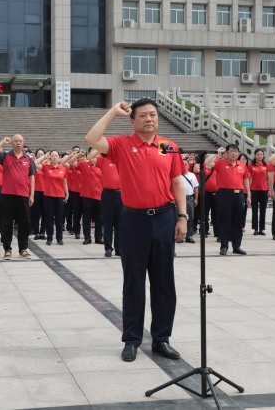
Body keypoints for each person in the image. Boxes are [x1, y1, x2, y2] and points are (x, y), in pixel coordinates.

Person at [85, 98, 187, 363]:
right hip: (133, 221)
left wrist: (183, 216)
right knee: (133, 282)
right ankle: (131, 340)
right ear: (133, 121)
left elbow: (177, 182)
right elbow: (92, 139)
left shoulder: (168, 147)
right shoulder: (121, 144)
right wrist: (112, 112)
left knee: (164, 282)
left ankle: (161, 339)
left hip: (164, 218)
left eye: (153, 114)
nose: (149, 119)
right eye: (143, 115)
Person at [0, 135, 36, 261]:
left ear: (23, 143)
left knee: (25, 223)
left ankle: (23, 248)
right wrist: (3, 142)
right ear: (12, 143)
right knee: (6, 223)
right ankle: (7, 249)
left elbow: (32, 177)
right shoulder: (5, 156)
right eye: (15, 141)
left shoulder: (28, 158)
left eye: (20, 141)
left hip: (23, 195)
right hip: (7, 195)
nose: (18, 143)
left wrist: (31, 195)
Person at [205, 144, 251, 256]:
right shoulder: (220, 163)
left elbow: (246, 181)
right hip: (224, 194)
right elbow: (207, 163)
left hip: (239, 194)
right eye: (232, 151)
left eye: (236, 151)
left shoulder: (242, 165)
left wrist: (248, 195)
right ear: (226, 153)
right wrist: (216, 153)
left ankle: (237, 246)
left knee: (238, 221)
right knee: (225, 220)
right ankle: (224, 246)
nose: (234, 153)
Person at [37, 150, 69, 245]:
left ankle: (59, 238)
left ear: (59, 157)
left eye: (56, 156)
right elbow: (34, 164)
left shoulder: (63, 168)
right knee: (49, 218)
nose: (54, 157)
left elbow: (64, 182)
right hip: (48, 196)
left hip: (60, 196)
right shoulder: (46, 167)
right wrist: (44, 157)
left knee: (59, 219)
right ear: (50, 157)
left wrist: (67, 193)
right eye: (53, 156)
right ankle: (49, 238)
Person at [97, 152, 122, 257]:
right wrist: (99, 148)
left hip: (121, 194)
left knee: (119, 224)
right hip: (108, 194)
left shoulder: (123, 161)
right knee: (108, 223)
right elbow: (90, 157)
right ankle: (108, 248)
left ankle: (118, 248)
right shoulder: (104, 160)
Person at [78, 149, 103, 245]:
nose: (96, 155)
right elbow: (71, 162)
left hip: (99, 196)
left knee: (99, 219)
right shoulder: (84, 164)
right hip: (86, 196)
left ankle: (98, 237)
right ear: (89, 154)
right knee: (86, 218)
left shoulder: (101, 166)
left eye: (98, 153)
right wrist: (78, 154)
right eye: (93, 153)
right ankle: (87, 238)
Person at [249, 148, 269, 235]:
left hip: (264, 190)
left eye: (261, 154)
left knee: (263, 210)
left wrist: (269, 189)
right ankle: (255, 229)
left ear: (263, 155)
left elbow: (269, 178)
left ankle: (261, 229)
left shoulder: (266, 165)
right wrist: (248, 191)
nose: (259, 156)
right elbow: (249, 178)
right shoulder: (251, 166)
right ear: (255, 155)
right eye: (258, 154)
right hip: (254, 190)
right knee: (254, 210)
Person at [181, 157, 199, 243]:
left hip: (189, 198)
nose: (184, 166)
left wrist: (196, 198)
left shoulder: (192, 175)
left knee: (190, 218)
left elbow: (196, 187)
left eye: (186, 164)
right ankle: (179, 236)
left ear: (188, 166)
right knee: (178, 217)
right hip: (180, 199)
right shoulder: (177, 175)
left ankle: (189, 236)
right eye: (183, 164)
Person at [30, 148, 47, 240]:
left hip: (46, 192)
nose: (40, 155)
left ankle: (42, 232)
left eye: (42, 154)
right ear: (36, 155)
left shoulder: (47, 165)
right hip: (36, 191)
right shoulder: (33, 164)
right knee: (35, 213)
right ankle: (36, 231)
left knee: (45, 213)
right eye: (39, 154)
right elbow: (33, 164)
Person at [238, 154, 250, 232]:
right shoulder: (237, 167)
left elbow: (248, 181)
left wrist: (249, 194)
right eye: (242, 159)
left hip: (245, 191)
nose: (244, 160)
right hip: (239, 191)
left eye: (245, 159)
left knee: (244, 209)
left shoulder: (247, 168)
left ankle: (242, 225)